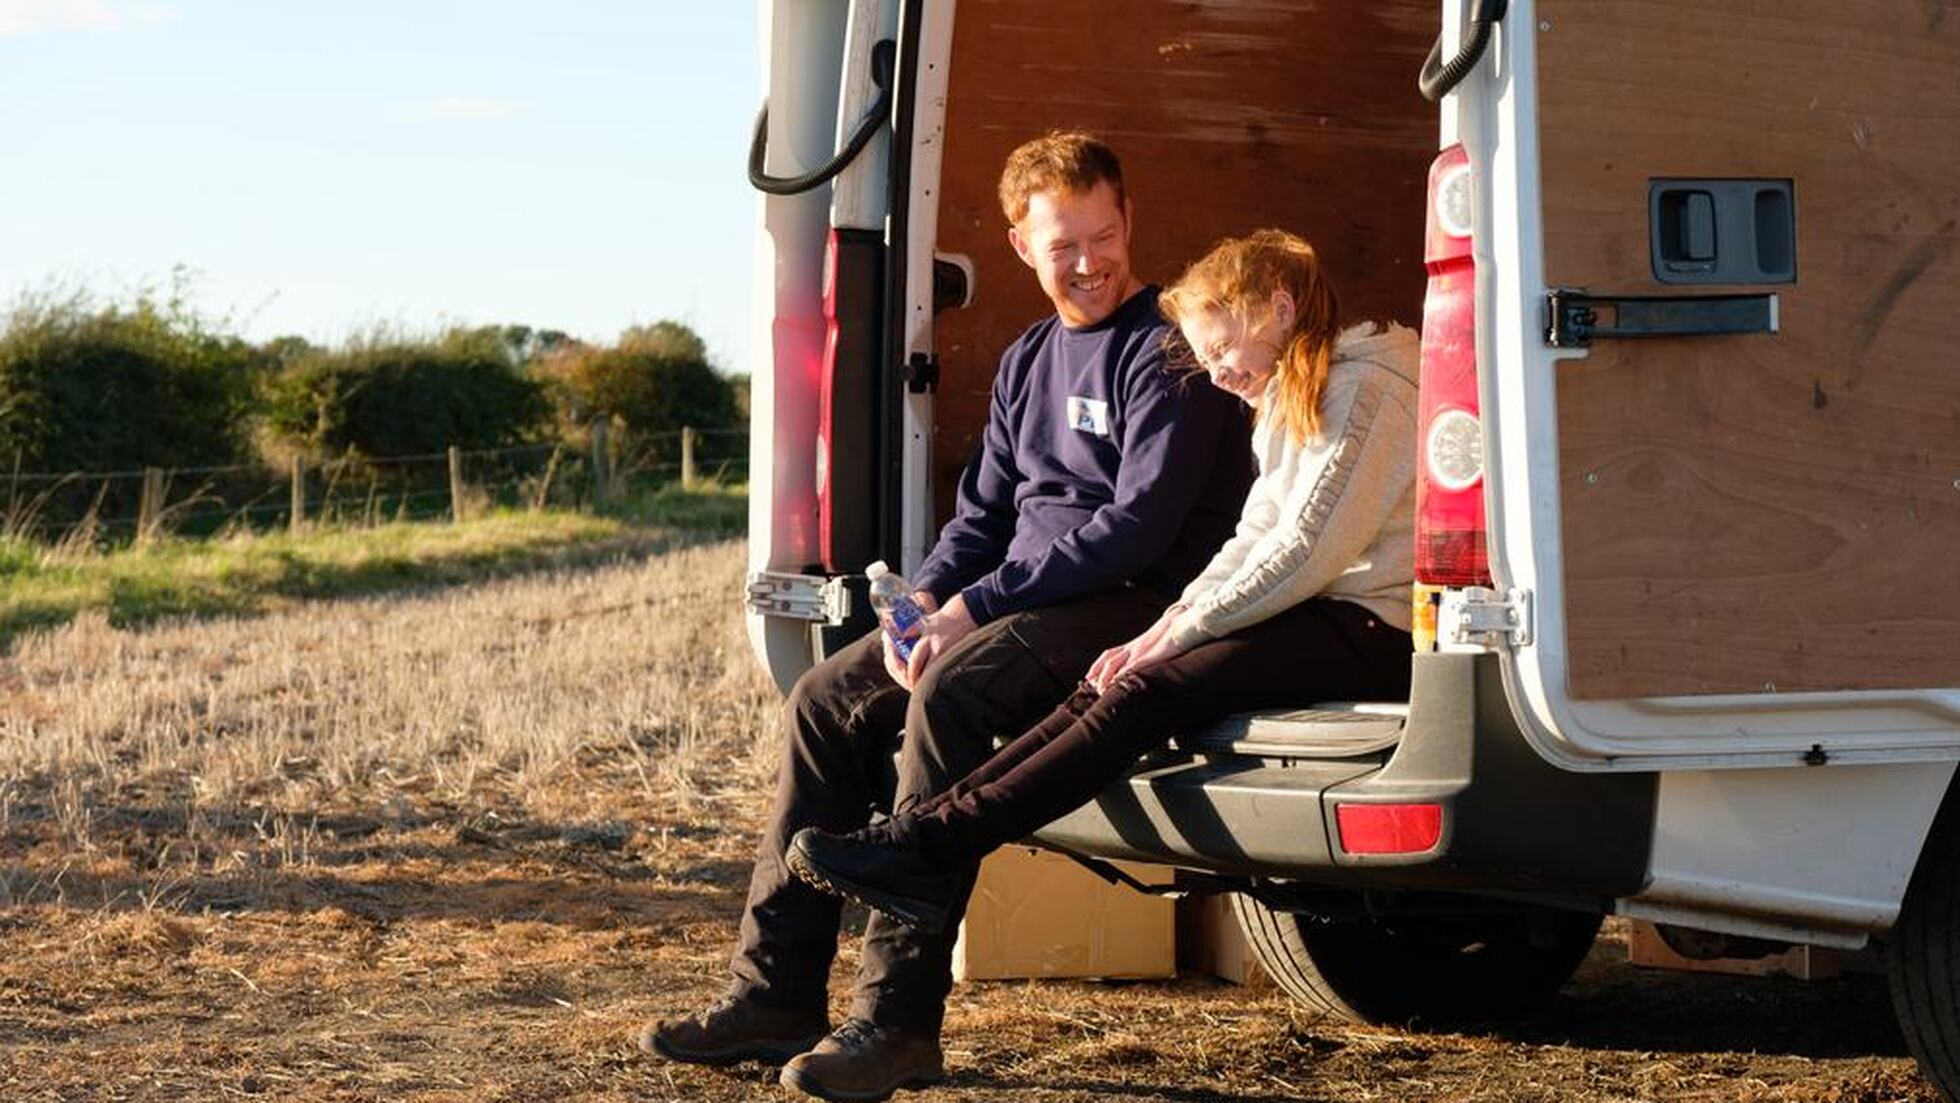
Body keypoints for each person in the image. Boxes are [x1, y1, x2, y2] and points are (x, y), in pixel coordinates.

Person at [641, 132, 1253, 1102]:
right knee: (821, 698)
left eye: (1103, 235)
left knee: (954, 693)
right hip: (1026, 596)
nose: (1089, 262)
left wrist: (974, 607)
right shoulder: (1027, 360)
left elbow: (1135, 529)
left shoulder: (1169, 348)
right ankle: (774, 990)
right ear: (1021, 244)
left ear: (1128, 219)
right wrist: (923, 597)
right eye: (1064, 246)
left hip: (1138, 601)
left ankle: (895, 1019)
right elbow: (983, 514)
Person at [785, 229, 1420, 940]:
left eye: (1219, 350)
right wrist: (1159, 630)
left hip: (1372, 622)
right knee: (1113, 679)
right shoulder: (1293, 396)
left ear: (1276, 308)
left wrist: (1175, 634)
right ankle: (921, 838)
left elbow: (1302, 552)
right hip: (1316, 611)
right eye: (1205, 358)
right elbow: (1252, 536)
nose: (1215, 375)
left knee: (1149, 689)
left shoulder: (1369, 390)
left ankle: (925, 845)